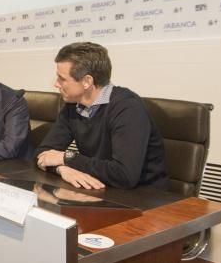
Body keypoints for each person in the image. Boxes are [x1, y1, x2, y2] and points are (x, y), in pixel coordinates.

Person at [36, 42, 167, 190]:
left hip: (143, 197)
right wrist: (62, 169)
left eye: (62, 79)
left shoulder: (128, 108)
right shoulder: (72, 106)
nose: (56, 84)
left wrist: (67, 158)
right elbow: (42, 153)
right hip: (99, 188)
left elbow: (124, 175)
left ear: (87, 82)